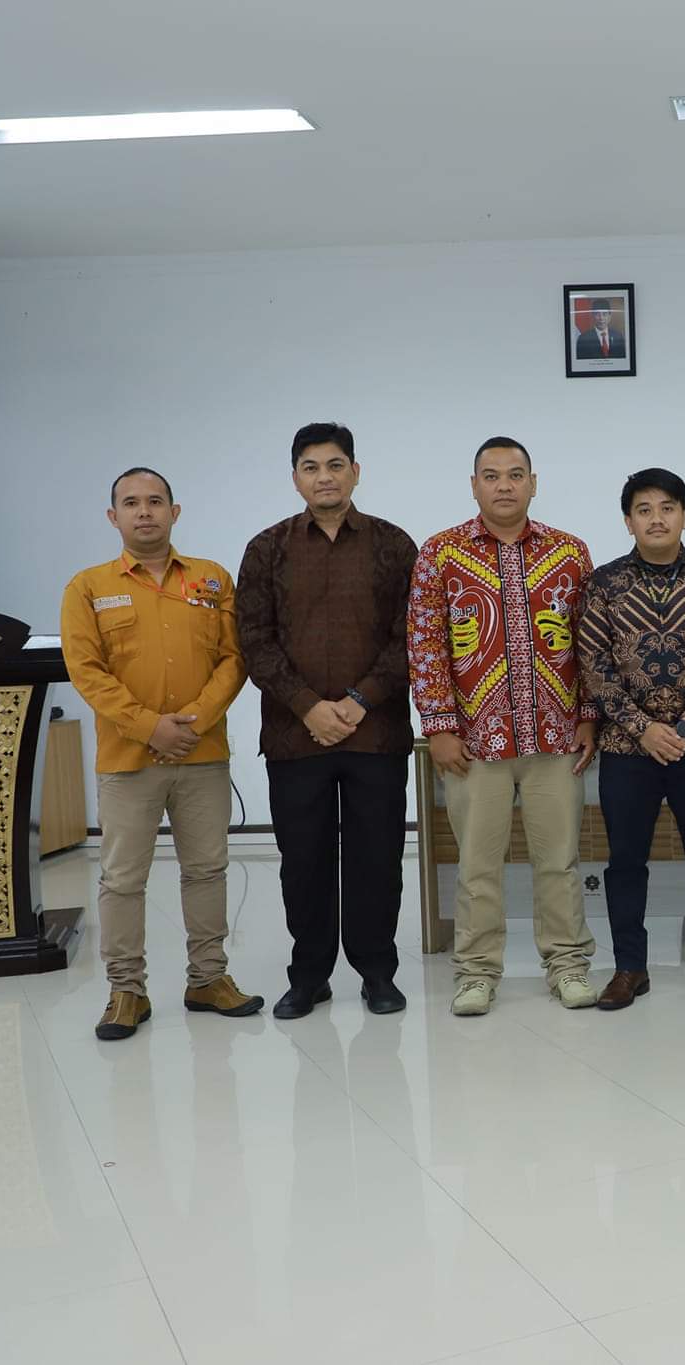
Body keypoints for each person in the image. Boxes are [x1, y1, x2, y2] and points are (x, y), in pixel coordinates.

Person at [59, 467, 261, 1040]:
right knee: (123, 878)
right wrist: (150, 728)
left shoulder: (212, 579)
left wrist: (193, 721)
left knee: (207, 870)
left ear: (175, 512)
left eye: (154, 501)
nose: (143, 511)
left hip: (201, 753)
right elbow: (86, 670)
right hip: (129, 760)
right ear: (113, 516)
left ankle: (208, 978)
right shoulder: (87, 587)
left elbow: (235, 658)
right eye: (131, 503)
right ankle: (126, 990)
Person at [408, 437, 601, 1016]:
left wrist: (588, 716)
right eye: (491, 475)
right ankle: (475, 973)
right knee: (477, 866)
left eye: (515, 475)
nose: (504, 485)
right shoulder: (440, 553)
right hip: (473, 744)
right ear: (474, 485)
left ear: (533, 483)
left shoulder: (570, 552)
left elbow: (590, 643)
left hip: (555, 739)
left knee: (559, 862)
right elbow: (425, 644)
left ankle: (567, 965)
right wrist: (440, 725)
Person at [236, 422, 418, 1021]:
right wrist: (309, 706)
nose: (325, 477)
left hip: (377, 734)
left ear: (355, 472)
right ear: (295, 478)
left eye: (336, 465)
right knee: (304, 862)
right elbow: (254, 639)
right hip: (297, 736)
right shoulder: (267, 549)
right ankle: (309, 976)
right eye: (311, 467)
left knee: (377, 859)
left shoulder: (394, 545)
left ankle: (377, 973)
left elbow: (412, 636)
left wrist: (359, 701)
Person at [576, 468, 685, 1010]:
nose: (656, 518)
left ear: (684, 516)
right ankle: (629, 968)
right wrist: (643, 728)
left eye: (667, 507)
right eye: (644, 509)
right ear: (628, 521)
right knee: (625, 862)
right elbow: (594, 666)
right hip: (628, 751)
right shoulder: (604, 584)